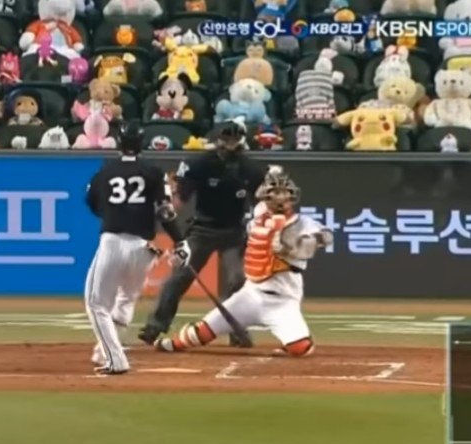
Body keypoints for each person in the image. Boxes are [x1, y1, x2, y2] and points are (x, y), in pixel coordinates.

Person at [154, 169, 333, 356]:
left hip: (282, 298)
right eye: (275, 192)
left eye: (284, 193)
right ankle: (176, 343)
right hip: (250, 294)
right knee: (200, 333)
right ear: (265, 195)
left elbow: (327, 236)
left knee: (300, 348)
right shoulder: (258, 217)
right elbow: (261, 217)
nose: (280, 198)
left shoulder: (300, 223)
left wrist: (296, 246)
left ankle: (291, 341)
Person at [138, 123, 264, 347]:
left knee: (238, 280)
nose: (230, 144)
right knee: (180, 276)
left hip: (234, 232)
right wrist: (165, 213)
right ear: (218, 140)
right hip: (203, 229)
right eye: (226, 139)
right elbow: (180, 199)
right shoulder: (200, 164)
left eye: (235, 139)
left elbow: (261, 204)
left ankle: (236, 330)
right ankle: (155, 326)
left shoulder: (250, 168)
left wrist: (260, 225)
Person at [84, 121, 188, 375]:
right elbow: (165, 211)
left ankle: (115, 359)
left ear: (119, 142)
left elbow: (92, 202)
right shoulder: (154, 172)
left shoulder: (105, 171)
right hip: (143, 247)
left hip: (113, 242)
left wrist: (113, 212)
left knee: (96, 305)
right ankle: (102, 351)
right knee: (126, 299)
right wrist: (180, 241)